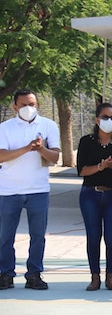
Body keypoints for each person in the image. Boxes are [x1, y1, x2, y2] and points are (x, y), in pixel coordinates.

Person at [0, 89, 61, 290]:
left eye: (32, 104)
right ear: (15, 106)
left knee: (38, 235)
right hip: (9, 190)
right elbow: (1, 156)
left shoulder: (48, 125)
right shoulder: (5, 128)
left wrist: (40, 148)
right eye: (24, 104)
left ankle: (34, 273)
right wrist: (27, 148)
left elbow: (54, 157)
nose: (29, 108)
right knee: (5, 236)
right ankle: (6, 273)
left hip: (38, 190)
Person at [77, 102, 112, 291]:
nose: (110, 121)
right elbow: (82, 170)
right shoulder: (86, 141)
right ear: (97, 119)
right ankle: (94, 277)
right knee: (93, 237)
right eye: (106, 117)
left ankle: (110, 276)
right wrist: (100, 167)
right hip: (90, 195)